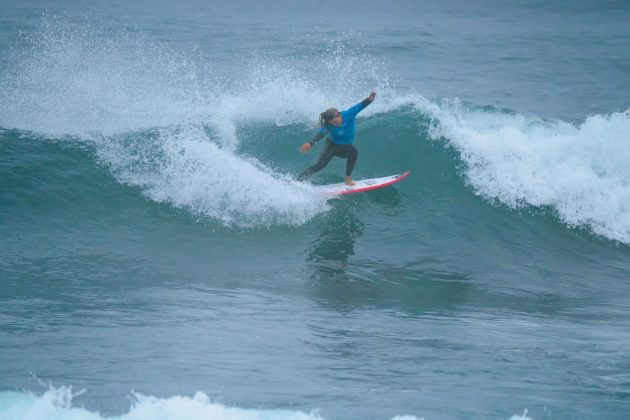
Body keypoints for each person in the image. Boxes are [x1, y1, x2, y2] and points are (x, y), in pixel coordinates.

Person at [298, 91, 376, 186]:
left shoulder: (349, 114)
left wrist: (369, 99)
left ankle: (347, 178)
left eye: (335, 121)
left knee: (354, 151)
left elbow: (360, 106)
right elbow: (321, 133)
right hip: (331, 146)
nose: (335, 125)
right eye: (332, 123)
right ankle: (298, 181)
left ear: (339, 115)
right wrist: (310, 143)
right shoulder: (329, 125)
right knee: (319, 166)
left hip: (345, 148)